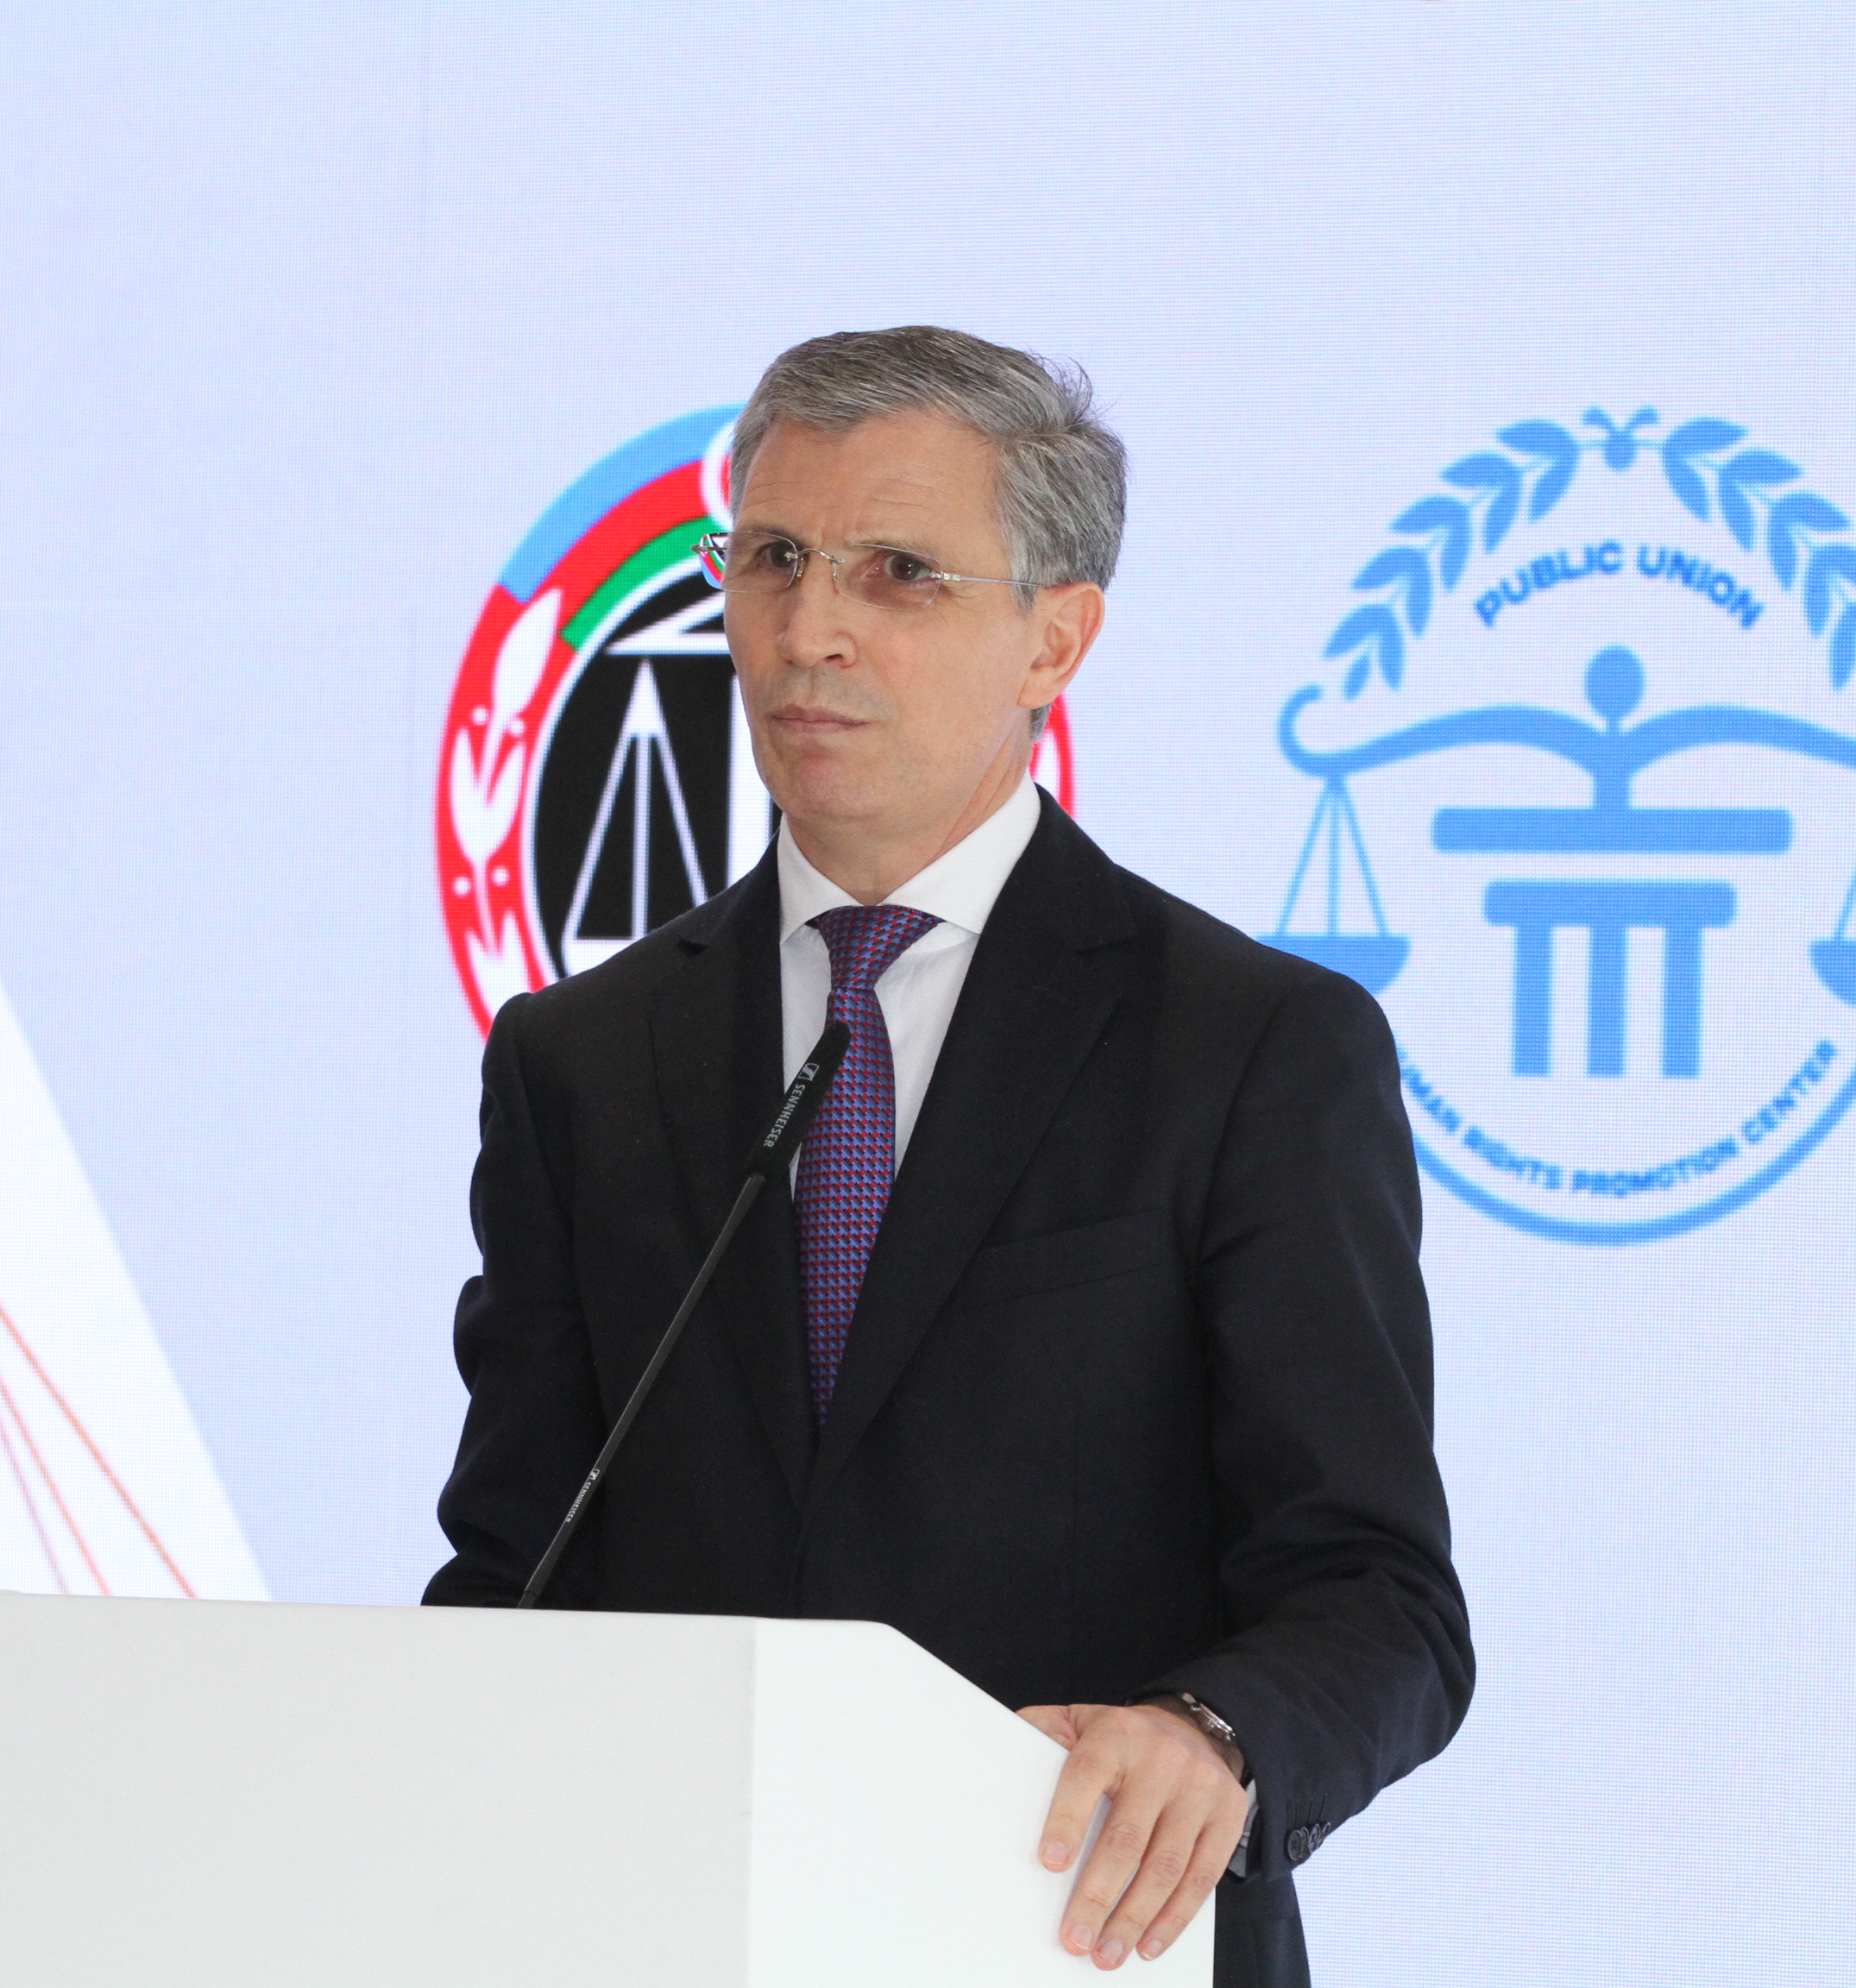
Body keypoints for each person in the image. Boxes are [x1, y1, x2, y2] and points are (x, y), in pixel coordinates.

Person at [425, 326, 1472, 1986]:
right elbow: (512, 1581)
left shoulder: (1251, 1049)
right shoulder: (582, 1058)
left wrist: (1210, 1735)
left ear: (1058, 638)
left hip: (1069, 1942)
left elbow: (1379, 1601)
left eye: (898, 574)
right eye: (773, 560)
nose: (808, 632)